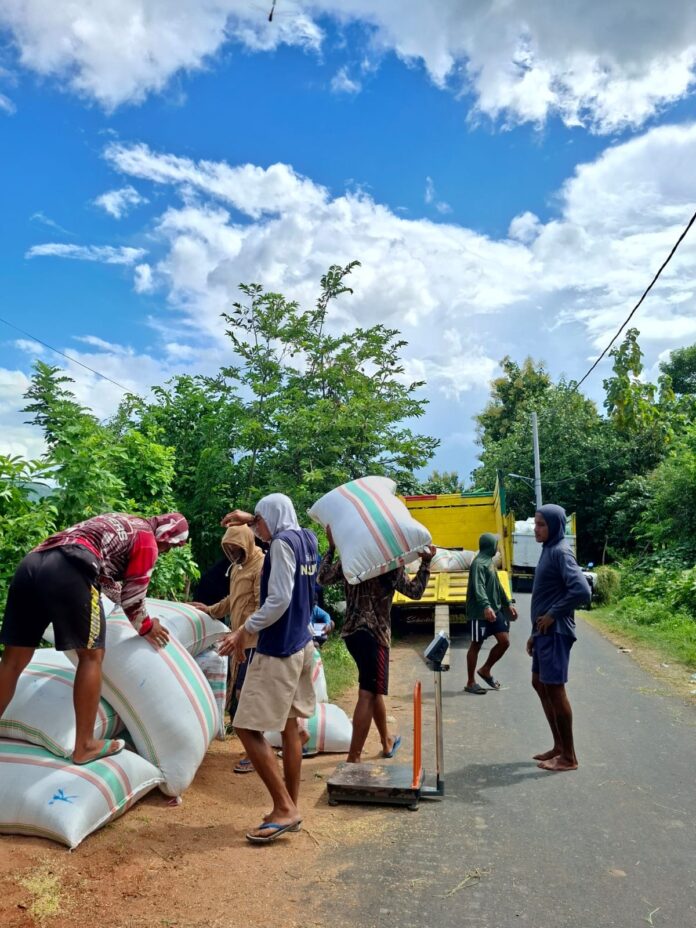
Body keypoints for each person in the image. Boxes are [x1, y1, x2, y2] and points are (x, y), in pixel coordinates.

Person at [0, 511, 189, 765]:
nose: (166, 550)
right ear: (166, 535)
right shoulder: (147, 540)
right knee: (91, 656)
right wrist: (146, 626)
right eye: (170, 545)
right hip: (71, 569)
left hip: (32, 564)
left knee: (12, 661)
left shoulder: (124, 521)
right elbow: (134, 597)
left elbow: (109, 580)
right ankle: (85, 745)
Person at [218, 494, 318, 843]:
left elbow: (277, 601)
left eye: (258, 522)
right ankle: (290, 806)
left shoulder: (278, 546)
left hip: (278, 650)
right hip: (303, 644)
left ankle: (284, 808)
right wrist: (253, 514)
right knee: (291, 728)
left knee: (245, 727)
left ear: (270, 519)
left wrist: (243, 631)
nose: (257, 529)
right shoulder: (307, 538)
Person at [318, 528, 435, 763]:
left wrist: (331, 547)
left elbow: (322, 578)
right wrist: (426, 564)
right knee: (368, 692)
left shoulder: (351, 557)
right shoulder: (388, 562)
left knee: (372, 688)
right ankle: (354, 756)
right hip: (375, 634)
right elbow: (415, 592)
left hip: (352, 633)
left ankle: (386, 740)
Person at [190, 524, 265, 774]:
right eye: (229, 550)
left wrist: (241, 632)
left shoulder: (261, 566)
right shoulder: (237, 568)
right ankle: (254, 749)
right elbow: (233, 601)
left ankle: (254, 754)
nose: (233, 554)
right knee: (238, 697)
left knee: (248, 697)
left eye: (236, 548)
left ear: (247, 543)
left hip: (255, 643)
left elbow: (261, 608)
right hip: (240, 641)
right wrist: (209, 610)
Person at [528, 504, 591, 773]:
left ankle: (569, 757)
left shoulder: (561, 552)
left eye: (541, 524)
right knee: (539, 684)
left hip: (556, 632)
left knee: (554, 689)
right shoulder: (548, 550)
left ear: (554, 526)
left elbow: (582, 590)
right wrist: (533, 633)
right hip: (543, 633)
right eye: (535, 523)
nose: (536, 529)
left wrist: (553, 614)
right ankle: (558, 746)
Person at [464, 533, 518, 694]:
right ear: (490, 546)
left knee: (504, 641)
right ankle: (470, 682)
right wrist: (486, 606)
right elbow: (478, 586)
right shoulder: (478, 564)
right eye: (496, 544)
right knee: (476, 644)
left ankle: (485, 670)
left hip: (495, 610)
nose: (497, 547)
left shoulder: (489, 563)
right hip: (480, 613)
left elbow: (498, 586)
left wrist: (508, 603)